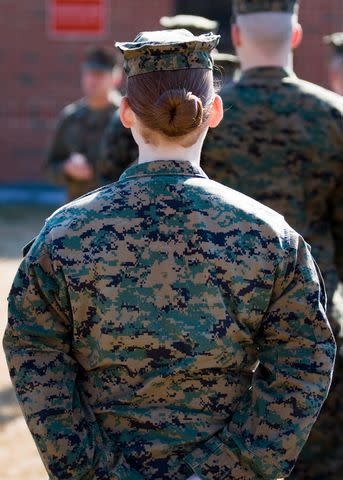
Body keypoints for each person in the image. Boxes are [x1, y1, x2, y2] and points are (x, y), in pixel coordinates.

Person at [3, 28, 335, 480]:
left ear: (125, 113)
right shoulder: (270, 237)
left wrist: (92, 468)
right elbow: (304, 357)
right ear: (214, 111)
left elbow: (34, 350)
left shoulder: (62, 235)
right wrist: (230, 468)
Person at [201, 1, 343, 478]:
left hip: (217, 329)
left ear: (236, 37)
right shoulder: (335, 118)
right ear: (297, 35)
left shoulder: (208, 120)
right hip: (313, 327)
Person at [99, 15, 240, 184]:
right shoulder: (249, 211)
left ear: (126, 112)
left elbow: (107, 173)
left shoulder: (78, 212)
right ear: (216, 110)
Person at [46, 46, 121, 201]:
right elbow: (49, 167)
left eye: (99, 74)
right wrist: (67, 169)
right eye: (88, 73)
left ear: (116, 78)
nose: (92, 80)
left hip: (117, 212)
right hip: (77, 212)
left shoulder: (126, 118)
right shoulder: (71, 117)